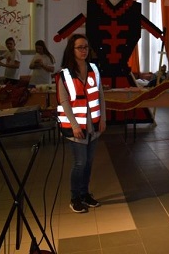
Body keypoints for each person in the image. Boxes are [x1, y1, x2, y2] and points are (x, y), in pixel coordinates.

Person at [57, 34, 106, 213]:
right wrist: (75, 125)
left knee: (89, 162)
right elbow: (64, 101)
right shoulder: (64, 74)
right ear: (72, 49)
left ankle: (85, 194)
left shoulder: (94, 69)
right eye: (80, 47)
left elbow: (100, 95)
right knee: (80, 163)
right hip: (76, 127)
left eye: (86, 47)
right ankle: (75, 198)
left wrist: (103, 118)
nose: (84, 50)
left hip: (93, 125)